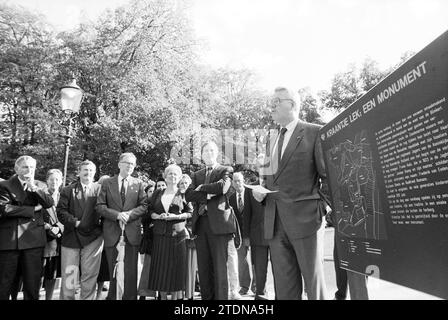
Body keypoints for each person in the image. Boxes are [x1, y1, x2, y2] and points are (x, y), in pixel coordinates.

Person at [253, 87, 331, 300]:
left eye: (277, 101)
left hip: (307, 220)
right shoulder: (270, 140)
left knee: (314, 286)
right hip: (275, 223)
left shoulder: (315, 132)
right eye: (272, 101)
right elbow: (269, 180)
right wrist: (261, 193)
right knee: (284, 288)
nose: (272, 106)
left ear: (293, 104)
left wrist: (321, 208)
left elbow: (328, 177)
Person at [185, 141, 236, 300]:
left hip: (220, 225)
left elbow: (223, 187)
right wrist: (208, 194)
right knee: (204, 268)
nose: (209, 153)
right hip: (201, 224)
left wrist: (202, 188)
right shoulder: (196, 174)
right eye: (205, 151)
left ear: (217, 153)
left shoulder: (225, 170)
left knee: (220, 268)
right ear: (201, 155)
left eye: (212, 150)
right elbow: (189, 195)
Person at [0, 155, 54, 300]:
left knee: (32, 283)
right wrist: (32, 210)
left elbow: (49, 203)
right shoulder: (5, 185)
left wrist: (34, 188)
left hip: (34, 241)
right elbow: (4, 209)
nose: (29, 170)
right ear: (16, 169)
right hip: (10, 241)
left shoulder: (40, 185)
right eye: (25, 167)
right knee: (4, 283)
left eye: (32, 167)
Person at [97, 152, 147, 300]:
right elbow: (100, 206)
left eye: (132, 164)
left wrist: (128, 215)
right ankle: (112, 297)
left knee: (131, 272)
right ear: (119, 164)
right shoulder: (107, 183)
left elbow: (144, 206)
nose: (130, 166)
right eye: (127, 163)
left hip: (131, 233)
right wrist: (117, 215)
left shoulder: (138, 183)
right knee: (113, 270)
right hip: (112, 233)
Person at [57, 160, 103, 300]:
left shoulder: (101, 190)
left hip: (94, 238)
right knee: (70, 274)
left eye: (90, 170)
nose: (87, 173)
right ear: (79, 172)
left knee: (90, 274)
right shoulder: (68, 190)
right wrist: (76, 223)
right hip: (72, 237)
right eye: (85, 170)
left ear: (94, 173)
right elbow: (61, 211)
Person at [147, 164, 192, 300]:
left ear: (179, 177)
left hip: (177, 236)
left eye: (175, 174)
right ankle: (162, 297)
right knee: (160, 269)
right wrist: (154, 215)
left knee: (176, 270)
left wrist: (176, 217)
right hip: (160, 235)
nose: (173, 176)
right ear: (165, 177)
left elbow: (190, 213)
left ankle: (176, 299)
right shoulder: (157, 193)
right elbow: (149, 210)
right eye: (170, 174)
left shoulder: (184, 193)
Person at [245, 177, 271, 300]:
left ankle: (281, 294)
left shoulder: (276, 182)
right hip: (257, 234)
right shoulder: (249, 188)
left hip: (276, 233)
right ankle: (261, 295)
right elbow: (247, 214)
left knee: (280, 267)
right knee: (259, 268)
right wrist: (246, 236)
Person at [229, 172, 253, 296]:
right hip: (240, 234)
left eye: (239, 180)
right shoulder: (231, 198)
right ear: (232, 183)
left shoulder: (251, 193)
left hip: (254, 232)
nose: (237, 183)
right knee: (242, 260)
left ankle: (257, 287)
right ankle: (245, 286)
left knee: (256, 260)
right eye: (235, 181)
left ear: (244, 181)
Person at [41, 169, 64, 300]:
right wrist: (47, 226)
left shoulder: (64, 196)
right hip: (43, 240)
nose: (54, 182)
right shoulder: (40, 196)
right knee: (39, 273)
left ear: (60, 181)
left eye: (57, 179)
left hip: (59, 241)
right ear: (47, 181)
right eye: (51, 179)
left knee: (52, 274)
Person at [178, 174, 197, 300]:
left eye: (186, 183)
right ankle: (178, 293)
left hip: (192, 235)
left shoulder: (194, 198)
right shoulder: (176, 197)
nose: (184, 185)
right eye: (181, 183)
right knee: (179, 266)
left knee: (191, 266)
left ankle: (190, 293)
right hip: (178, 236)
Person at [138, 180, 156, 300]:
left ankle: (160, 293)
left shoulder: (162, 203)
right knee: (147, 268)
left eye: (153, 191)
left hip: (161, 239)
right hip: (149, 241)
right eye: (150, 191)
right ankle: (143, 294)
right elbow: (143, 220)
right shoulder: (145, 205)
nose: (152, 193)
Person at [95, 175, 111, 300]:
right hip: (94, 235)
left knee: (104, 267)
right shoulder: (94, 196)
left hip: (107, 236)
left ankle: (100, 294)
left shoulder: (111, 198)